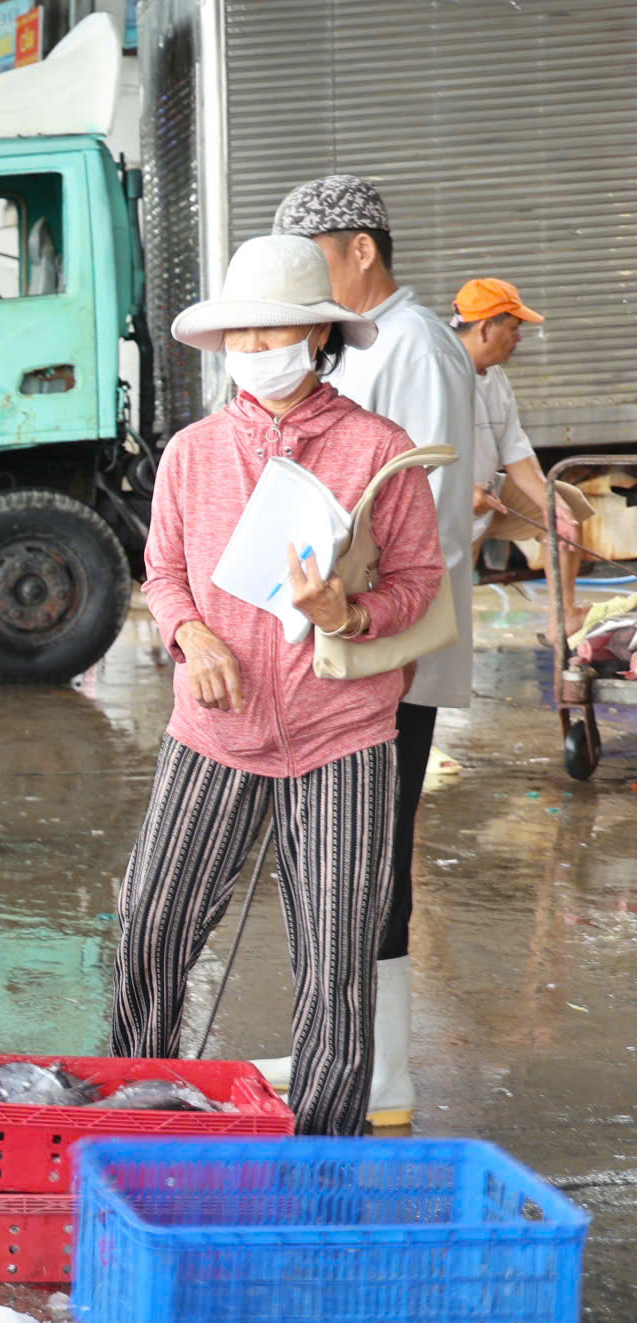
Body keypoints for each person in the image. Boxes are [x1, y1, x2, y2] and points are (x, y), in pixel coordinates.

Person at [113, 234, 444, 1136]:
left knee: (337, 964)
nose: (255, 350)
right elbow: (162, 572)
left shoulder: (380, 450)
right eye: (242, 334)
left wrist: (348, 613)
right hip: (213, 733)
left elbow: (419, 583)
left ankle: (323, 1159)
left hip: (343, 736)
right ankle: (137, 1122)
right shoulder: (191, 453)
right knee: (151, 924)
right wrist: (191, 637)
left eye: (274, 331)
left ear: (319, 335)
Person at [267, 175, 477, 1125]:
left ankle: (384, 1073)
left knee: (374, 859)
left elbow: (424, 511)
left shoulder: (415, 344)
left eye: (314, 259)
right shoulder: (358, 345)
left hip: (391, 649)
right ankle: (336, 1041)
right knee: (332, 858)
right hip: (345, 640)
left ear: (361, 248)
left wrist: (361, 613)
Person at [451, 279, 584, 620]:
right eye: (513, 328)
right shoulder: (436, 372)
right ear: (485, 329)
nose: (519, 338)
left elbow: (517, 455)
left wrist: (553, 509)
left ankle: (564, 620)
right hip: (440, 509)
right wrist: (459, 493)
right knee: (444, 625)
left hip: (488, 495)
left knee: (564, 505)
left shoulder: (496, 378)